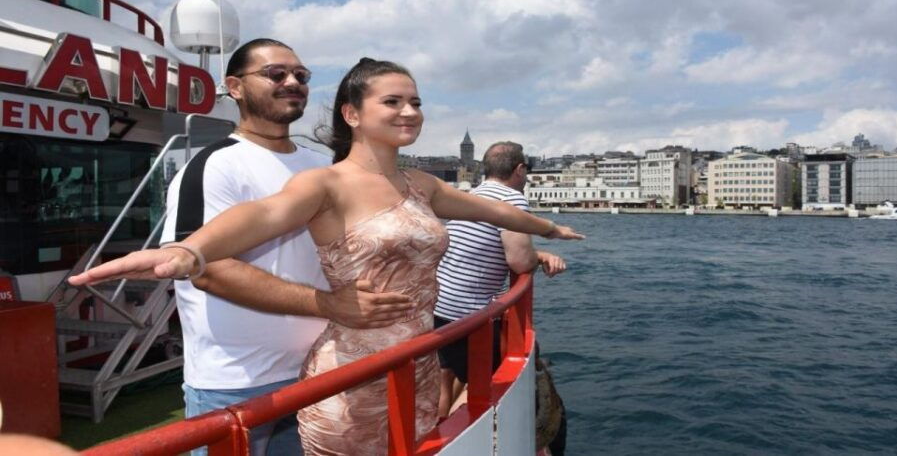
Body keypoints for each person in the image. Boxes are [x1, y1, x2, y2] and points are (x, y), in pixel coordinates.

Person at [69, 58, 584, 456]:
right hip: (353, 377)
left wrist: (547, 228)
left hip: (418, 364)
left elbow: (491, 209)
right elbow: (264, 216)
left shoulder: (421, 184)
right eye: (394, 102)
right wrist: (190, 249)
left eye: (416, 101)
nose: (410, 112)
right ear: (353, 114)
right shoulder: (324, 183)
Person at [159, 40, 415, 456]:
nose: (292, 82)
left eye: (301, 75)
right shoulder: (212, 165)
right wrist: (329, 305)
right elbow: (205, 267)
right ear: (235, 87)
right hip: (237, 381)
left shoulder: (324, 166)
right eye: (275, 74)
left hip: (322, 368)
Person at [433, 141, 568, 453]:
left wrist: (539, 251)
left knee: (451, 378)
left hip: (442, 314)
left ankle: (443, 425)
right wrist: (540, 256)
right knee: (546, 411)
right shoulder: (513, 200)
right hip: (471, 323)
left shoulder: (471, 196)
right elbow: (520, 262)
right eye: (526, 172)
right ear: (519, 170)